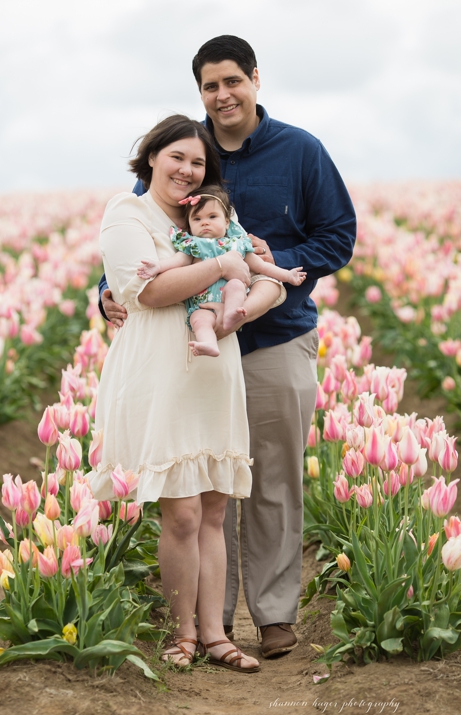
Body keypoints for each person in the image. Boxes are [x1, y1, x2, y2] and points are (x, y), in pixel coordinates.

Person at [99, 35, 356, 658]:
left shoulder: (300, 150)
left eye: (232, 81)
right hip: (190, 352)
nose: (222, 95)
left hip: (275, 335)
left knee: (269, 479)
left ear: (255, 79)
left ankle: (272, 616)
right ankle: (216, 626)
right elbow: (146, 251)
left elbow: (338, 237)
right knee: (208, 489)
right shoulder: (194, 155)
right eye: (210, 86)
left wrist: (271, 265)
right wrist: (104, 290)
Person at [89, 114, 264, 673]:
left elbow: (261, 276)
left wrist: (237, 311)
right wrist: (221, 265)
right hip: (157, 372)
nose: (188, 171)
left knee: (214, 509)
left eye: (198, 163)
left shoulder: (214, 214)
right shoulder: (128, 211)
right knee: (182, 514)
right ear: (151, 158)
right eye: (177, 159)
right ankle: (180, 632)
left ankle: (215, 634)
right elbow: (145, 291)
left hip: (213, 366)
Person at [135, 184, 305, 357]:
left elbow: (263, 266)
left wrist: (288, 275)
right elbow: (176, 261)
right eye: (197, 219)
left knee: (236, 286)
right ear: (189, 225)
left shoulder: (237, 244)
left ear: (226, 222)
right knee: (199, 320)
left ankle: (232, 313)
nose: (205, 222)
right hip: (202, 303)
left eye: (212, 216)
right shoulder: (194, 245)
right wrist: (157, 266)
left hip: (229, 298)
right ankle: (209, 343)